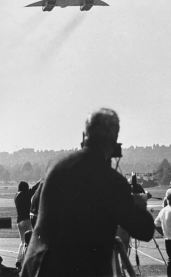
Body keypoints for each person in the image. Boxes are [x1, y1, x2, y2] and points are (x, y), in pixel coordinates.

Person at [21, 108, 155, 277]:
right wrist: (139, 205)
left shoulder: (56, 165)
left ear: (85, 135)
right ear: (114, 141)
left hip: (39, 266)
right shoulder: (111, 180)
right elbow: (145, 230)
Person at [14, 178, 42, 268]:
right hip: (26, 220)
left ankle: (19, 261)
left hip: (19, 221)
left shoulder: (16, 196)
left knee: (22, 241)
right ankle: (25, 261)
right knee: (27, 242)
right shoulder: (24, 194)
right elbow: (33, 189)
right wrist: (40, 181)